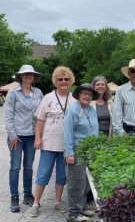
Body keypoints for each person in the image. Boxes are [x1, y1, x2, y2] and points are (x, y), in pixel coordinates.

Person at [29, 66, 77, 217]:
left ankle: (57, 201)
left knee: (62, 176)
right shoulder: (48, 98)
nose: (63, 81)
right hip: (49, 143)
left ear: (71, 81)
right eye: (60, 79)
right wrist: (37, 138)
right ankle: (36, 202)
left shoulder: (74, 100)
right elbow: (40, 121)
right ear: (55, 81)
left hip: (67, 146)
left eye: (66, 79)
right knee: (43, 174)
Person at [4, 65, 43, 212]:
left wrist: (40, 134)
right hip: (17, 136)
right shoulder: (13, 93)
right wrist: (12, 136)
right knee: (15, 167)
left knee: (28, 167)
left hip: (32, 135)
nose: (28, 76)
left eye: (31, 74)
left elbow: (43, 113)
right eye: (25, 74)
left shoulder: (38, 92)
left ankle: (28, 195)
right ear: (20, 76)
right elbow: (8, 116)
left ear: (33, 77)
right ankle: (14, 197)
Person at [64, 83, 99, 222]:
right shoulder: (73, 110)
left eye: (89, 94)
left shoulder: (91, 109)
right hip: (76, 149)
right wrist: (69, 153)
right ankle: (73, 214)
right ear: (78, 94)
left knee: (86, 182)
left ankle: (82, 207)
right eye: (84, 93)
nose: (87, 96)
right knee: (76, 182)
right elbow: (67, 133)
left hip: (90, 151)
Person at [86, 75, 114, 212]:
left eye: (103, 84)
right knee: (92, 171)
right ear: (94, 87)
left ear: (106, 87)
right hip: (93, 142)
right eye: (98, 85)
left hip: (107, 142)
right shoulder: (89, 102)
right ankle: (90, 199)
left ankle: (103, 198)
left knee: (104, 170)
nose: (101, 87)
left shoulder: (110, 103)